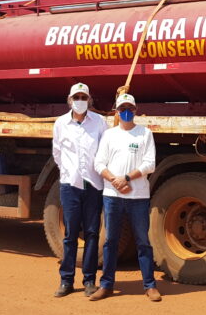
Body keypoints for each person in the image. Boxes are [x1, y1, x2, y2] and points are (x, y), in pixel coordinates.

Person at [90, 92, 160, 302]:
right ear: (117, 112)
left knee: (142, 241)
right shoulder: (110, 135)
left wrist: (127, 178)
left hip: (138, 196)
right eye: (122, 109)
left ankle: (149, 285)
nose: (126, 112)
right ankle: (106, 285)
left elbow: (150, 164)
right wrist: (115, 180)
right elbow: (99, 163)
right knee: (111, 241)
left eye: (130, 109)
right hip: (112, 196)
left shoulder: (145, 134)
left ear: (135, 111)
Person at [51, 82, 106, 297]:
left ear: (89, 100)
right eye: (77, 97)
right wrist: (68, 172)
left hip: (93, 184)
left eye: (84, 97)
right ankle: (66, 281)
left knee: (92, 233)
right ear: (70, 100)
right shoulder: (61, 123)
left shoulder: (100, 122)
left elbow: (105, 149)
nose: (80, 101)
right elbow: (57, 152)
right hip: (70, 185)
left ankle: (90, 280)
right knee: (71, 234)